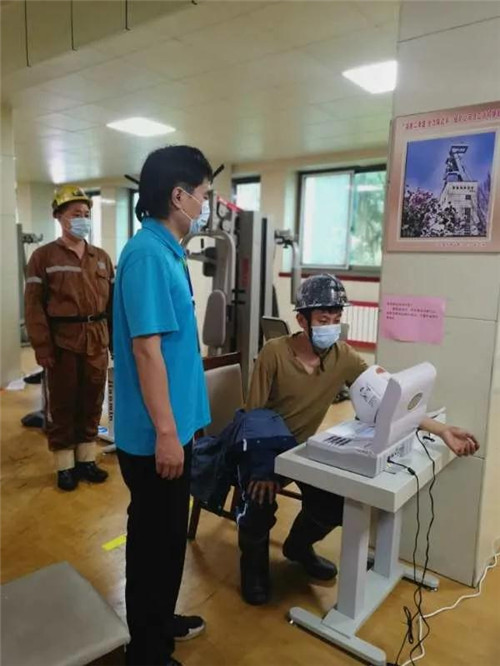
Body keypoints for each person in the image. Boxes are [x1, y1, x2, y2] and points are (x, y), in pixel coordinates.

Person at [239, 273, 479, 605]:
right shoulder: (274, 353)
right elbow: (253, 416)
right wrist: (261, 469)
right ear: (302, 320)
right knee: (258, 502)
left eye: (336, 319)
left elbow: (387, 401)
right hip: (263, 447)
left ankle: (297, 547)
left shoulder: (344, 357)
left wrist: (440, 429)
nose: (331, 327)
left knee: (333, 506)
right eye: (323, 319)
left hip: (302, 449)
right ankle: (252, 569)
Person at [113, 146, 212, 666]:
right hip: (156, 437)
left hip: (176, 428)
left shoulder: (168, 251)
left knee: (170, 536)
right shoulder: (148, 255)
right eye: (203, 195)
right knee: (153, 540)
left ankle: (160, 618)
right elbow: (146, 351)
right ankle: (146, 650)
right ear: (179, 196)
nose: (205, 204)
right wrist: (169, 435)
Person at [25, 185, 113, 491]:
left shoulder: (101, 258)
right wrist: (42, 346)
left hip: (96, 341)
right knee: (63, 405)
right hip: (62, 343)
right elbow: (34, 306)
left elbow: (112, 305)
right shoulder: (43, 257)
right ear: (60, 217)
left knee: (92, 401)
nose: (83, 219)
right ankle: (65, 465)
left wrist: (114, 343)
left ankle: (86, 460)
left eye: (86, 214)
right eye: (76, 214)